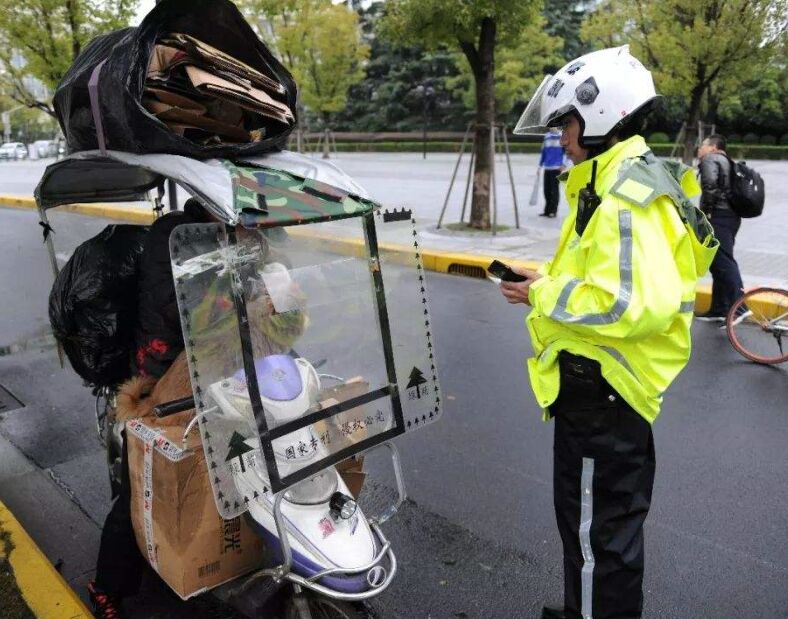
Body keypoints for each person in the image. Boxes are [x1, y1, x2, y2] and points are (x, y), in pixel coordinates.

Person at [504, 46, 718, 619]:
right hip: (602, 393)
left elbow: (626, 304)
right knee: (595, 533)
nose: (562, 137)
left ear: (602, 116)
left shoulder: (624, 196)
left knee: (599, 541)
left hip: (603, 396)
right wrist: (544, 280)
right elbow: (604, 278)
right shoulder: (613, 181)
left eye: (567, 123)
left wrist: (540, 294)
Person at [695, 134, 745, 321]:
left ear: (713, 147)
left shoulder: (710, 159)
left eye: (703, 145)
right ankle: (720, 309)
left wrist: (707, 213)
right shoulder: (729, 161)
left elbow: (710, 185)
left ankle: (739, 307)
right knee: (717, 263)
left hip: (718, 215)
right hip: (731, 217)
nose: (700, 149)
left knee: (723, 262)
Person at [539, 127, 569, 217]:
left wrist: (564, 164)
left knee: (554, 190)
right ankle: (547, 210)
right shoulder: (546, 136)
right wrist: (540, 166)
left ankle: (553, 211)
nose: (552, 126)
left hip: (556, 168)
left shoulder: (561, 136)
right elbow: (544, 152)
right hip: (547, 167)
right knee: (546, 190)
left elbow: (567, 152)